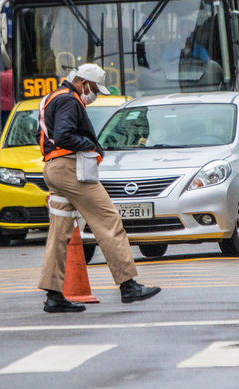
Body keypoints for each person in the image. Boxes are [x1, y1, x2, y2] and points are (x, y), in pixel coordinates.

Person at [37, 63, 161, 313]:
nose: (94, 95)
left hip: (53, 167)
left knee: (59, 232)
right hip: (72, 169)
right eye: (94, 89)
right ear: (84, 83)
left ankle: (54, 295)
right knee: (109, 220)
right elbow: (64, 136)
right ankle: (128, 286)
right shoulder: (70, 101)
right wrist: (92, 147)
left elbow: (46, 135)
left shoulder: (53, 97)